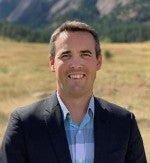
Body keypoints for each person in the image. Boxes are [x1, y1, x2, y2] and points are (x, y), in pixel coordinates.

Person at [0, 21, 147, 163]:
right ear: (52, 63)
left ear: (98, 62)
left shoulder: (124, 123)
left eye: (85, 54)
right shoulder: (25, 124)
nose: (76, 64)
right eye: (66, 55)